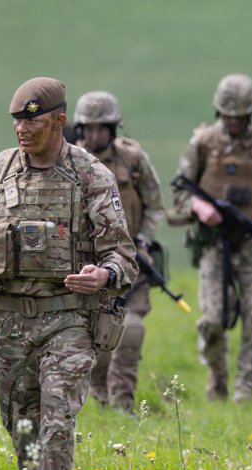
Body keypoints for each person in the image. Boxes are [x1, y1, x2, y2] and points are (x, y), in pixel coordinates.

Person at [0, 77, 137, 470]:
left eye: (33, 122)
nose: (23, 130)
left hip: (68, 318)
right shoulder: (0, 171)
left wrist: (103, 276)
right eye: (17, 122)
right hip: (9, 321)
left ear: (60, 122)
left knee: (56, 418)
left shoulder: (90, 176)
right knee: (21, 423)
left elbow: (123, 256)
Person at [170, 74, 252, 403]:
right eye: (228, 116)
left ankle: (248, 393)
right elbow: (179, 191)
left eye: (240, 117)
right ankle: (218, 377)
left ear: (251, 114)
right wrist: (199, 206)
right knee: (213, 320)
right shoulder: (203, 142)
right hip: (214, 244)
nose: (234, 122)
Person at [67, 91, 164, 412]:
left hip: (129, 262)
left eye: (101, 128)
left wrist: (144, 243)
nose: (94, 135)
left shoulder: (133, 160)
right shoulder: (68, 161)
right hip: (86, 267)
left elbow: (154, 205)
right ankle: (101, 398)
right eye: (88, 128)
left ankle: (123, 403)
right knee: (97, 342)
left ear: (113, 128)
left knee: (131, 330)